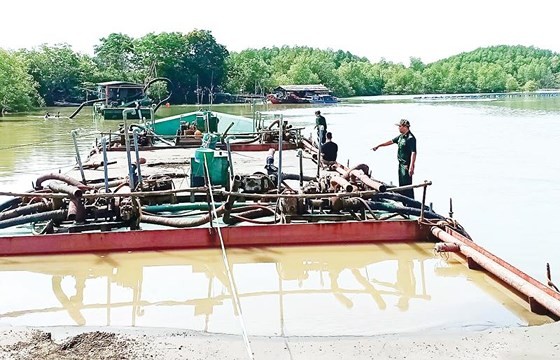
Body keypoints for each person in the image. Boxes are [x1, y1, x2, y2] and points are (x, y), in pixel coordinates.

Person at [371, 119, 417, 198]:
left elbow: (414, 152)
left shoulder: (411, 138)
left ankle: (411, 202)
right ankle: (403, 201)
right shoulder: (401, 137)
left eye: (400, 126)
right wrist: (379, 145)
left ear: (405, 127)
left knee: (407, 185)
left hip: (406, 165)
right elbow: (390, 141)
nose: (398, 128)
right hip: (400, 164)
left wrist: (411, 166)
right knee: (401, 184)